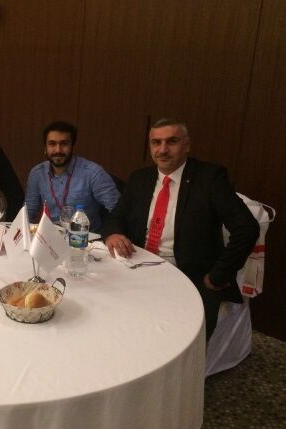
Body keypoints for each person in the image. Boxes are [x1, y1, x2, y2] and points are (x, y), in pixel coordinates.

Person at [102, 119, 259, 340]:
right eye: (156, 142)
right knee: (105, 313)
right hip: (139, 264)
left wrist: (218, 276)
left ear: (187, 145)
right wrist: (113, 234)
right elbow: (116, 216)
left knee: (182, 337)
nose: (162, 149)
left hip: (190, 273)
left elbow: (247, 228)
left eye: (172, 141)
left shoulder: (210, 178)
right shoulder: (140, 178)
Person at [25, 121, 119, 232]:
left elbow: (118, 210)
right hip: (51, 237)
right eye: (52, 144)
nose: (58, 150)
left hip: (86, 238)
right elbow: (28, 213)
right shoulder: (37, 173)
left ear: (72, 146)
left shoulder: (93, 172)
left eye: (64, 144)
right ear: (45, 147)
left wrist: (112, 233)